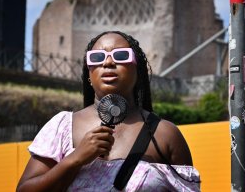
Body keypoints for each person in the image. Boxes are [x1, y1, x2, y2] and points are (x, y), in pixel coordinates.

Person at [17, 31, 200, 191]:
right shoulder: (63, 126)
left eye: (121, 55)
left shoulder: (165, 135)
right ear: (89, 75)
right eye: (96, 58)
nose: (108, 62)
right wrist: (75, 159)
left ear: (138, 71)